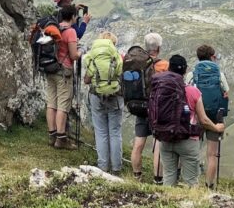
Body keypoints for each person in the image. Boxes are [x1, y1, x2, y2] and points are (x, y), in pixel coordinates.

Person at [155, 55, 225, 187]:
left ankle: (167, 205)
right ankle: (190, 205)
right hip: (188, 139)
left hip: (165, 138)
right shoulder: (193, 91)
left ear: (169, 68)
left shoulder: (160, 88)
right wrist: (217, 128)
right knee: (191, 181)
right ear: (185, 71)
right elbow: (203, 120)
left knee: (169, 176)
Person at [83, 31, 124, 173]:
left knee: (100, 132)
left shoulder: (93, 56)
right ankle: (117, 168)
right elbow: (120, 75)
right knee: (115, 132)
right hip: (115, 96)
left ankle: (103, 166)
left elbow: (87, 80)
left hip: (96, 96)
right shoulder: (116, 56)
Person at [129, 32, 165, 183]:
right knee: (158, 144)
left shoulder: (137, 63)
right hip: (158, 109)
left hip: (140, 107)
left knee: (138, 143)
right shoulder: (164, 65)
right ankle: (158, 179)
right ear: (159, 48)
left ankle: (137, 176)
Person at [193, 45, 229, 189]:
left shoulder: (193, 73)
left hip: (196, 116)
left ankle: (192, 184)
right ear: (212, 57)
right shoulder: (219, 74)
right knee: (212, 154)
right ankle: (209, 186)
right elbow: (226, 92)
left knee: (192, 151)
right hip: (215, 117)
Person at [44, 5, 80, 149]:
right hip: (63, 71)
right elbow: (73, 55)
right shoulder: (70, 31)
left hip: (50, 68)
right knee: (62, 106)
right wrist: (81, 52)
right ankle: (61, 139)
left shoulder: (56, 28)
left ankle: (52, 135)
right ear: (72, 17)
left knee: (51, 103)